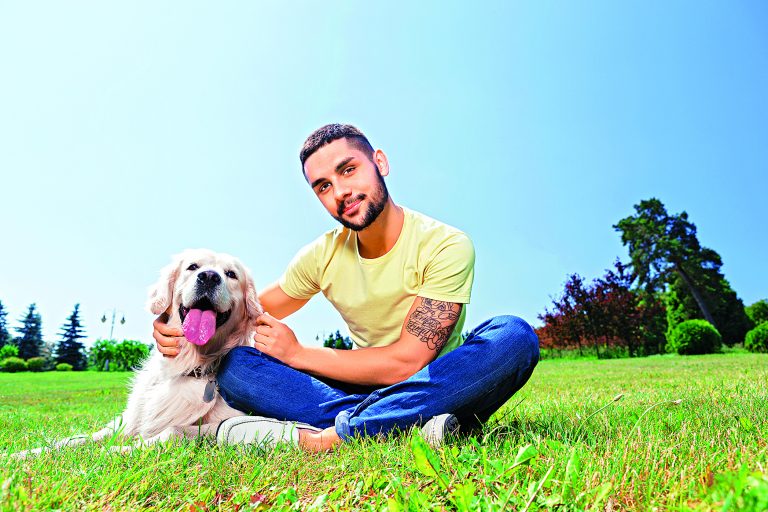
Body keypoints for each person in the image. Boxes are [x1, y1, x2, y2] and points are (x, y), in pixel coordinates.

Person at [153, 124, 539, 452]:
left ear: (380, 163)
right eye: (324, 186)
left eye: (348, 169)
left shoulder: (445, 245)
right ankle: (406, 424)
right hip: (356, 387)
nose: (340, 192)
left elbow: (408, 362)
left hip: (439, 380)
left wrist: (299, 354)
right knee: (238, 367)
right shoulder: (321, 255)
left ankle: (333, 436)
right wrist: (176, 322)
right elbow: (244, 311)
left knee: (513, 337)